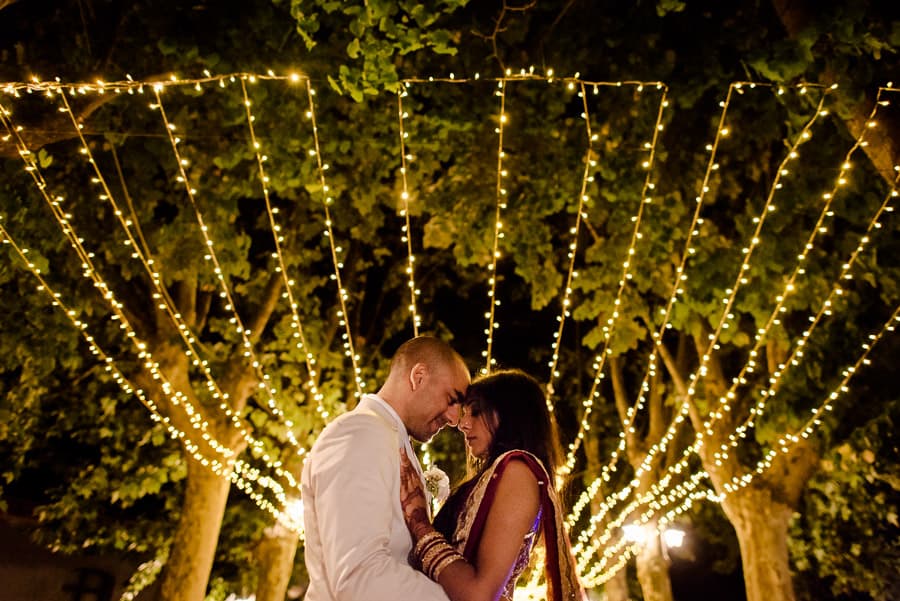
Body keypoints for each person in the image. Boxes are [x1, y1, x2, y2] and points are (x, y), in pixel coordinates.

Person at [301, 335, 471, 601]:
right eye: (452, 399)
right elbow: (359, 577)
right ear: (419, 376)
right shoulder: (359, 434)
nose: (453, 419)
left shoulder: (388, 437)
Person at [399, 368, 586, 601]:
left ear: (511, 415)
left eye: (476, 412)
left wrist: (421, 527)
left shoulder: (518, 471)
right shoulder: (498, 474)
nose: (462, 424)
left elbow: (480, 594)